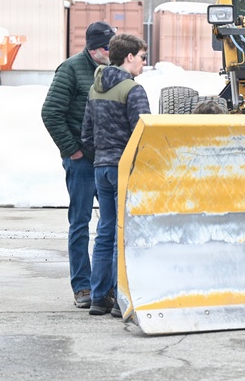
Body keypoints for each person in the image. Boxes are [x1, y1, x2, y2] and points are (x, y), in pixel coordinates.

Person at [40, 20, 115, 309]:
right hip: (82, 162)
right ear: (94, 49)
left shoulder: (114, 69)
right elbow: (51, 113)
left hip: (108, 161)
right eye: (107, 48)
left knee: (111, 224)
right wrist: (72, 151)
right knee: (80, 223)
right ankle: (82, 286)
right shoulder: (71, 69)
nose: (111, 53)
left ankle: (107, 286)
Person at [81, 33, 150, 317]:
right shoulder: (133, 90)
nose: (144, 63)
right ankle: (121, 299)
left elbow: (86, 134)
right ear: (129, 57)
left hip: (101, 167)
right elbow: (144, 135)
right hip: (125, 169)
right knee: (124, 234)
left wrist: (102, 154)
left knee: (105, 231)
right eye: (142, 57)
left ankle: (99, 297)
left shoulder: (95, 88)